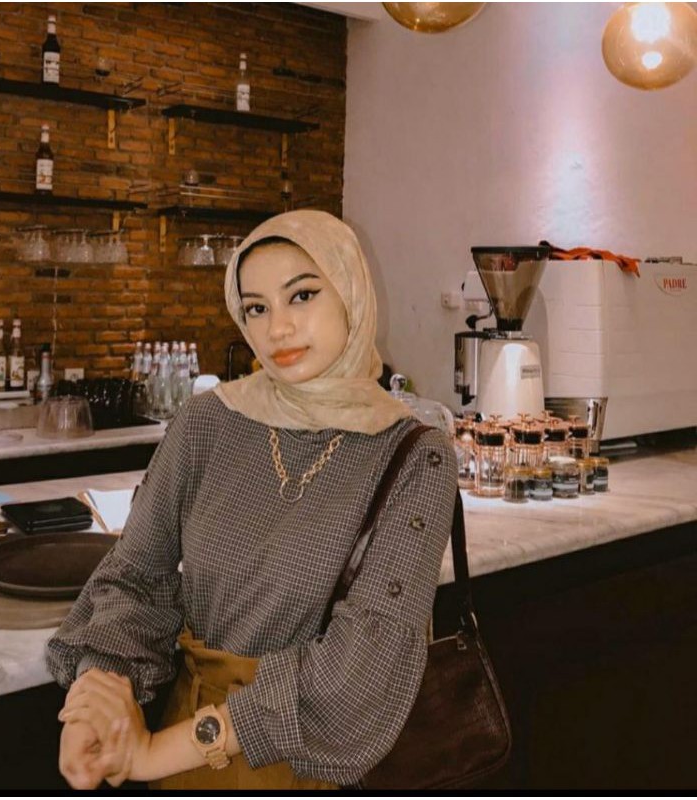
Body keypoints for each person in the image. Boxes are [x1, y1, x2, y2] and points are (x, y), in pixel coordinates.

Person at [45, 209, 458, 790]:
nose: (277, 329)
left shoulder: (416, 455)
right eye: (257, 308)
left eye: (302, 295)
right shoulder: (207, 422)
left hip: (306, 768)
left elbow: (359, 671)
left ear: (351, 294)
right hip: (179, 764)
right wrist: (98, 697)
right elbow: (136, 576)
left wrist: (154, 755)